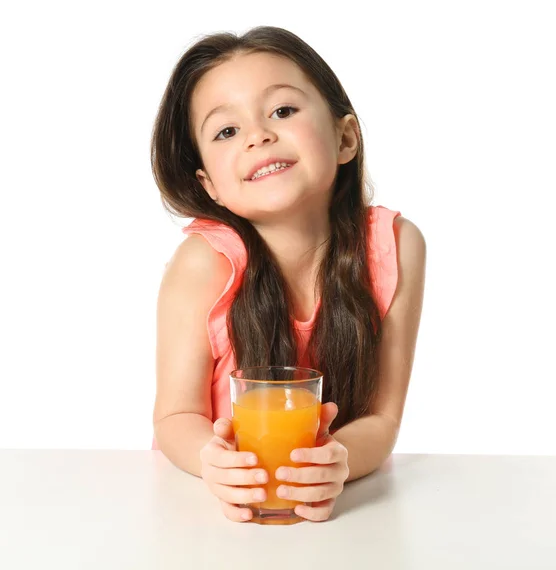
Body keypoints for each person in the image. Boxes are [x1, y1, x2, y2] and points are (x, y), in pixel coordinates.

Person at [150, 26, 426, 523]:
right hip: (206, 513)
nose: (259, 135)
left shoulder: (396, 246)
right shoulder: (204, 263)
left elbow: (381, 419)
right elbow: (174, 417)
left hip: (335, 520)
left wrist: (337, 463)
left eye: (283, 110)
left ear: (345, 137)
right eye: (226, 131)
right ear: (209, 184)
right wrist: (212, 463)